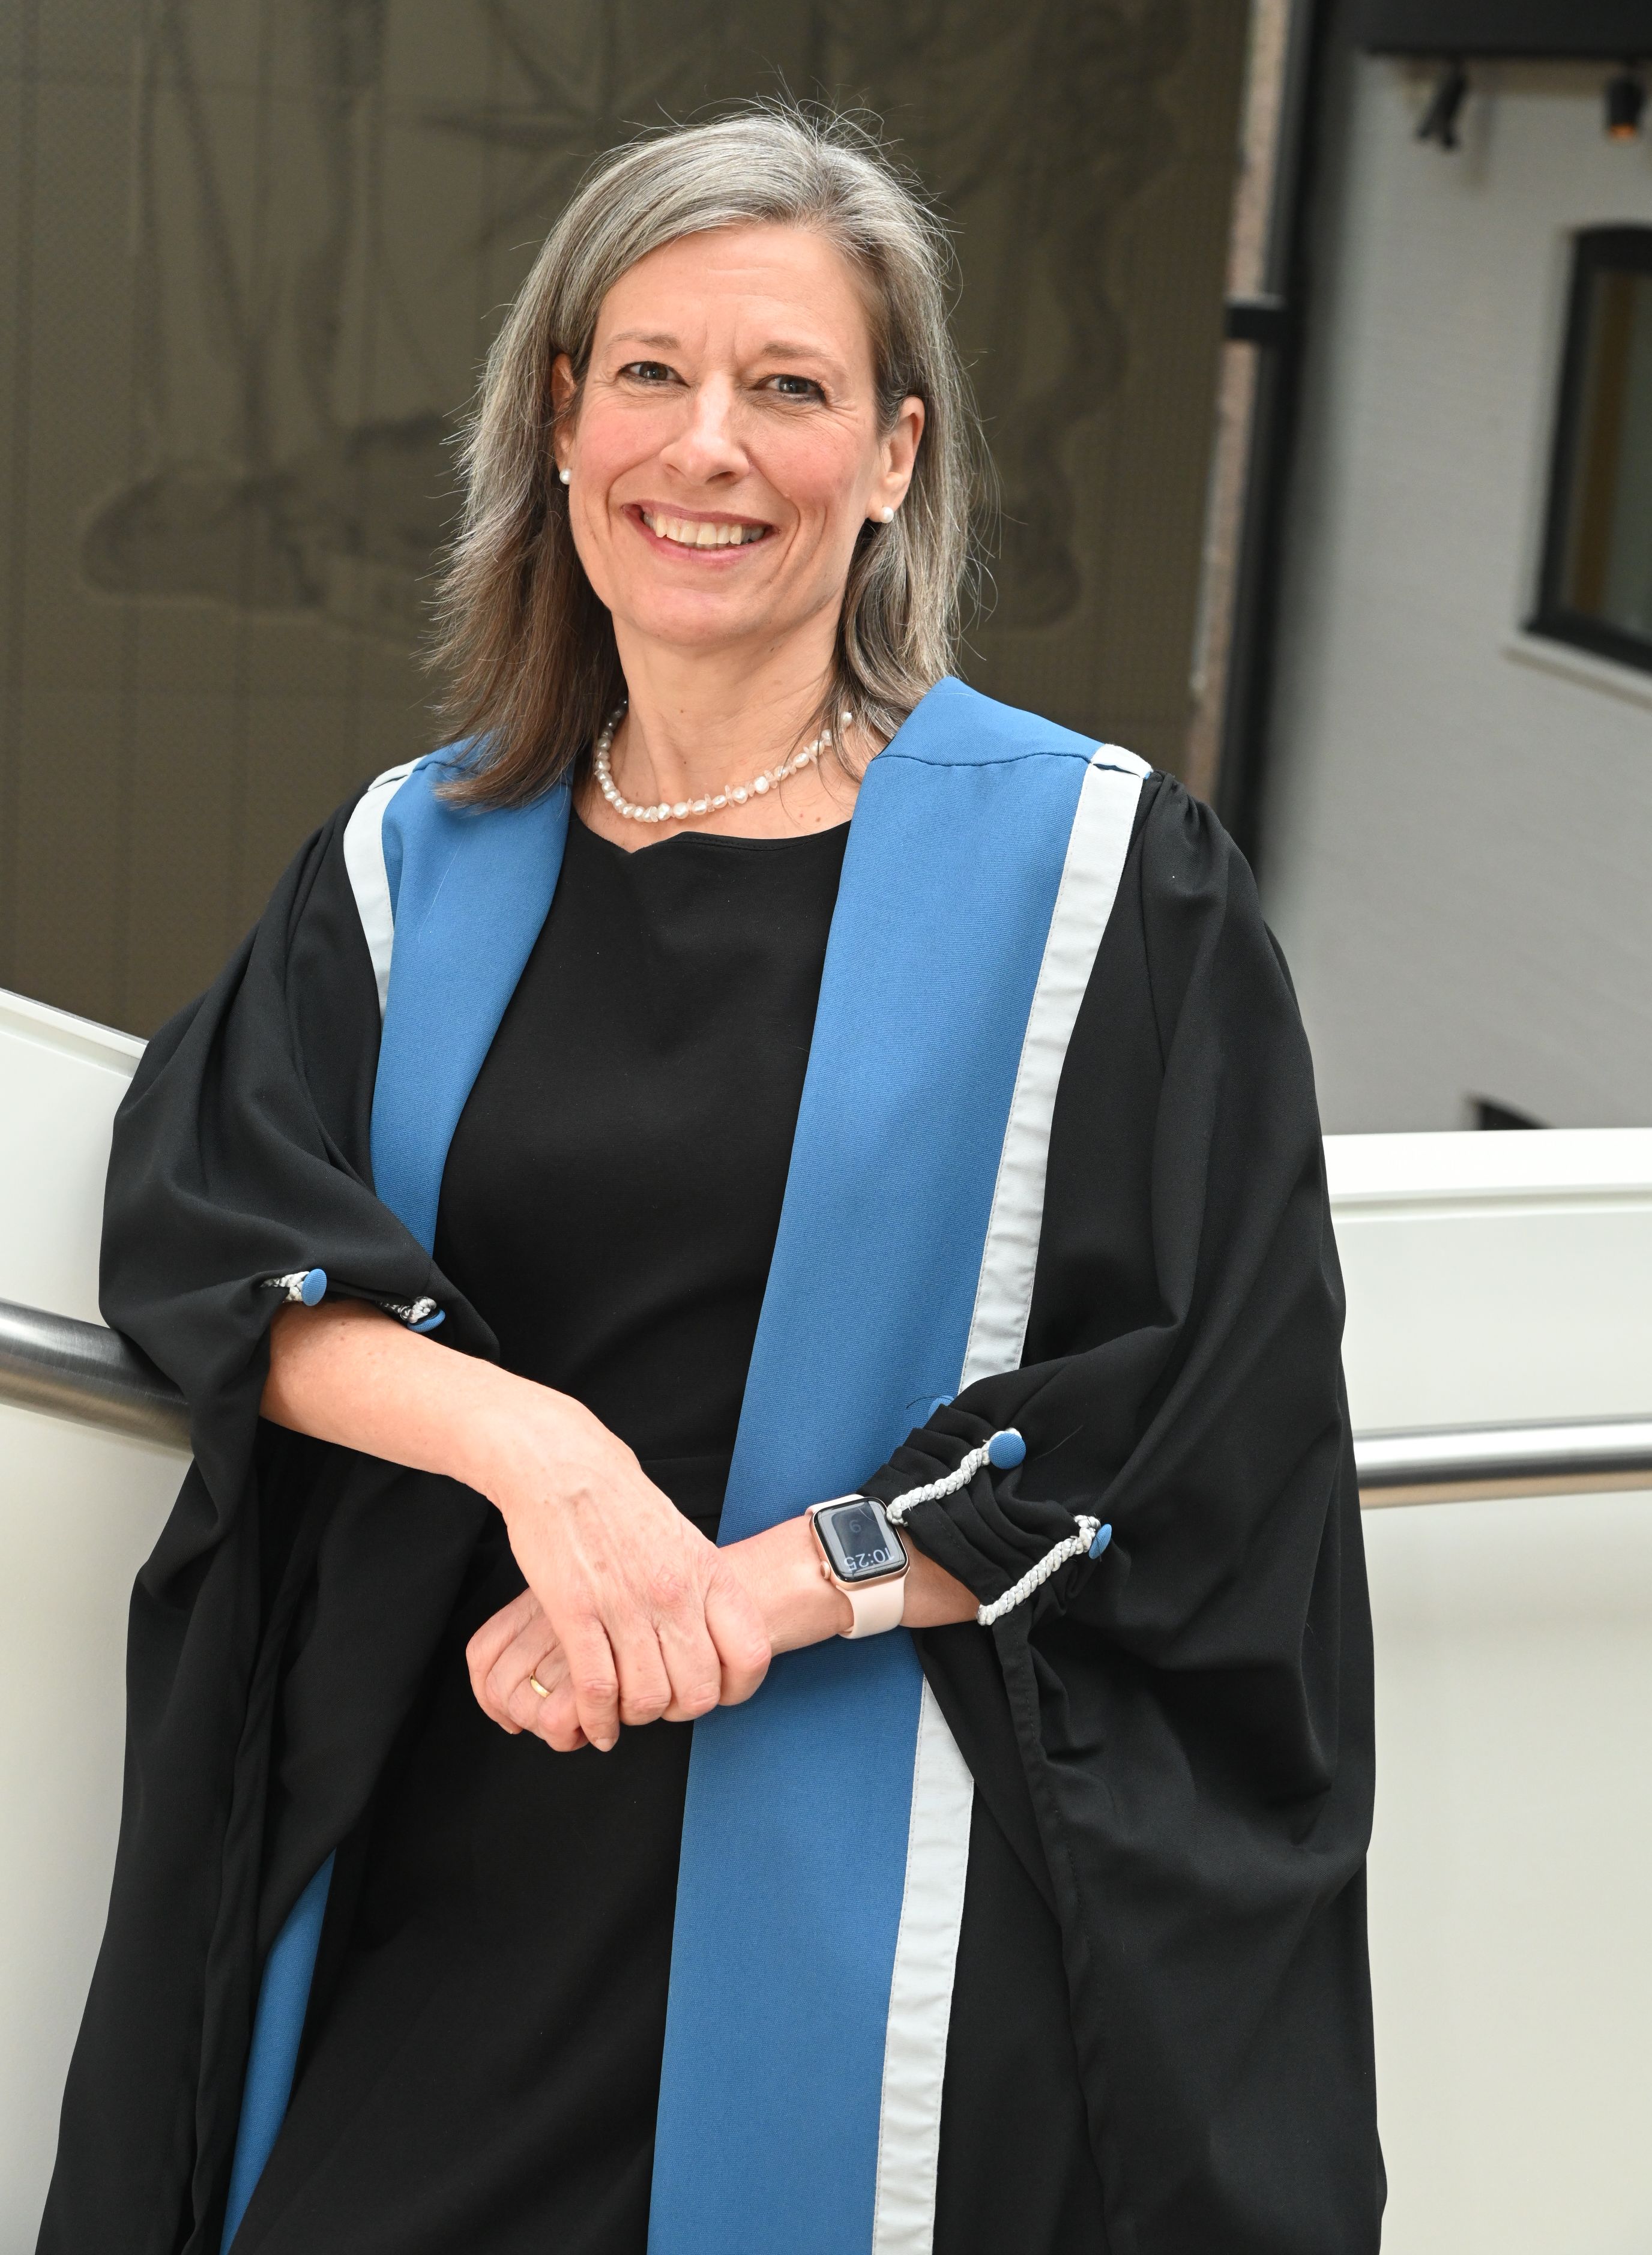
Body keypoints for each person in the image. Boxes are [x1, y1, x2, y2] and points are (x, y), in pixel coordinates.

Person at [38, 108, 1382, 2255]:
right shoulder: (412, 864)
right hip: (455, 1845)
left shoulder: (1101, 882)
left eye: (791, 388)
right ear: (561, 421)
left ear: (897, 455)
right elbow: (213, 1231)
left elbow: (1202, 1406)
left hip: (890, 1887)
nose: (709, 449)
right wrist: (533, 1451)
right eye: (650, 373)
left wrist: (739, 1597)